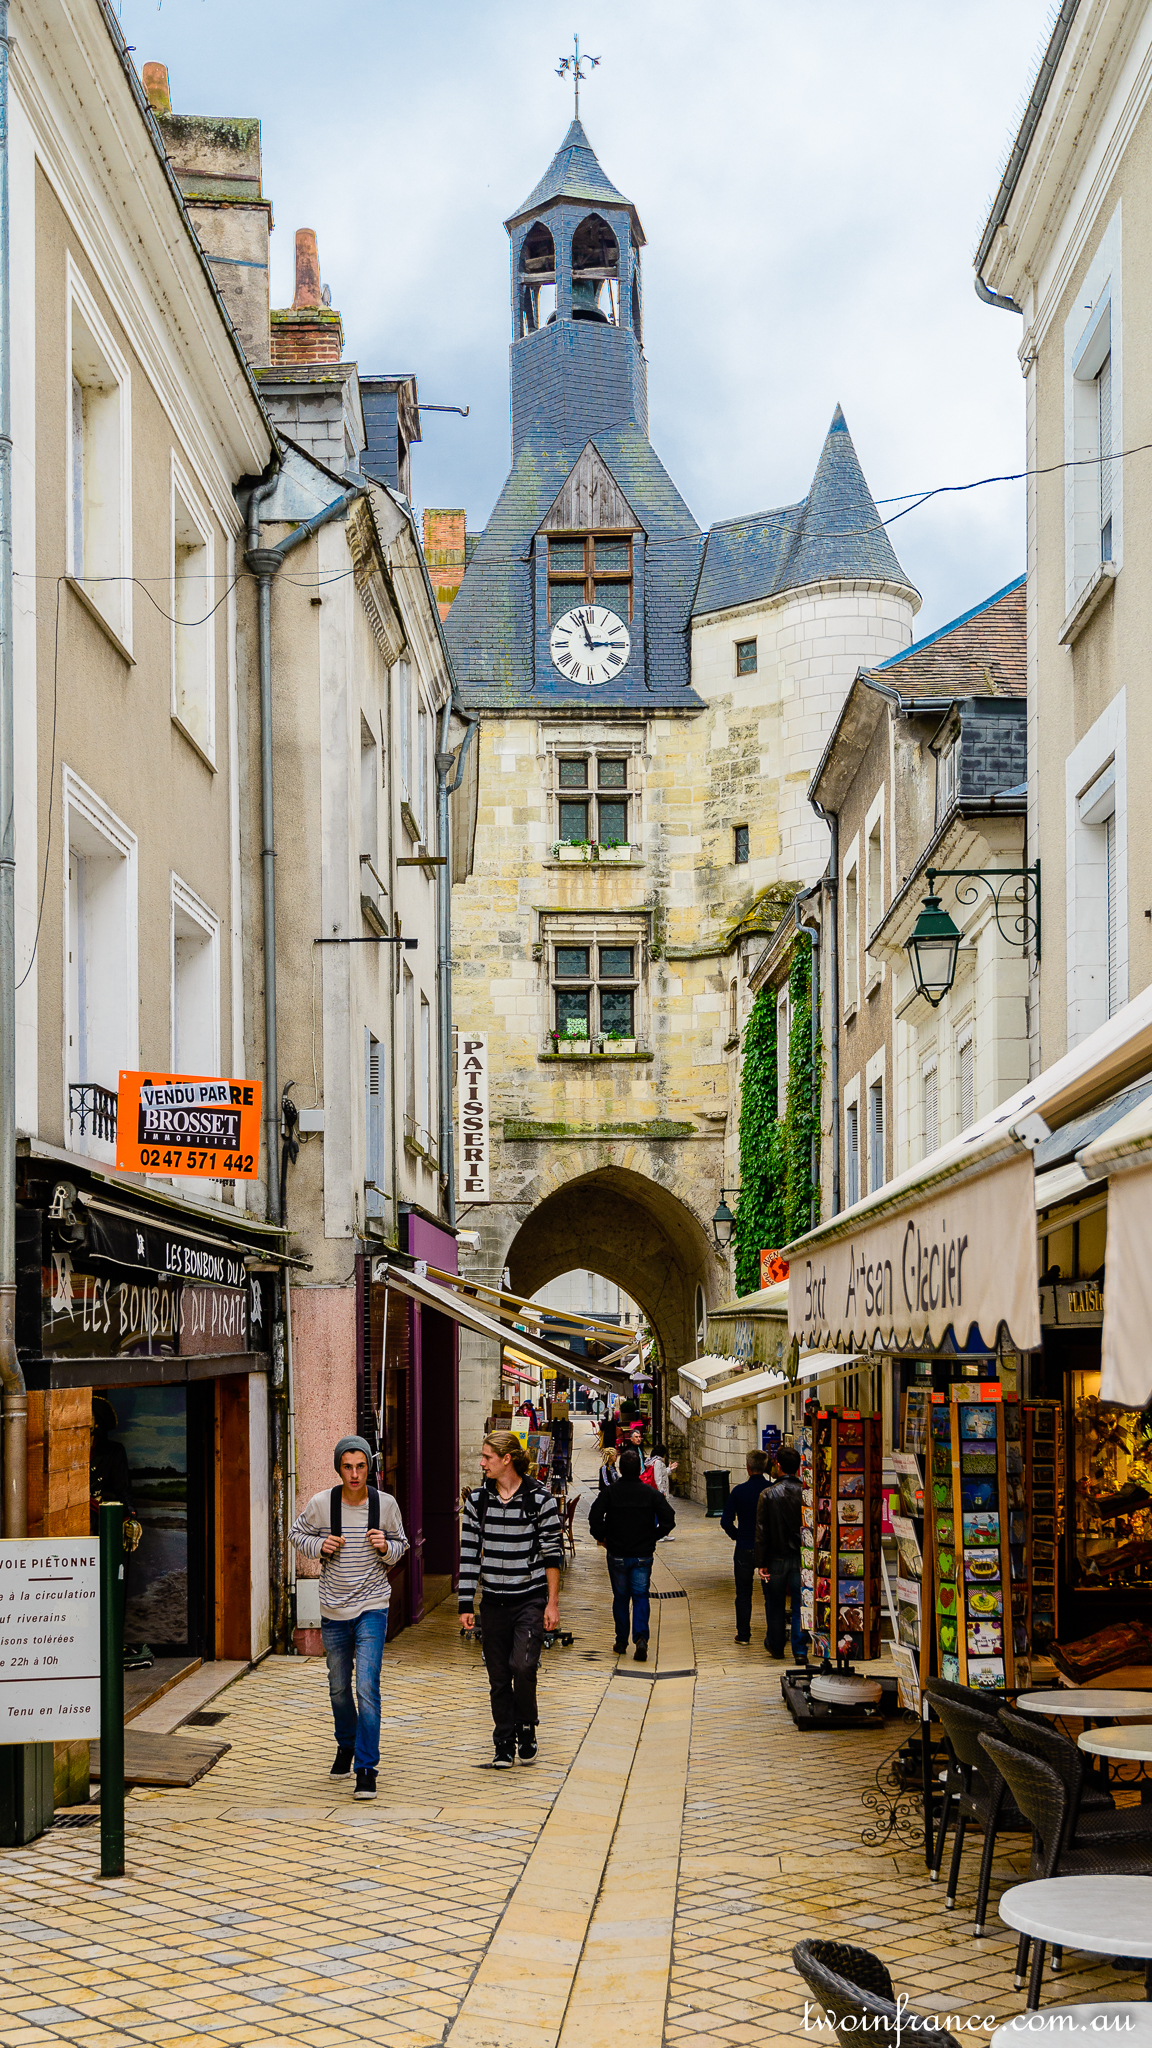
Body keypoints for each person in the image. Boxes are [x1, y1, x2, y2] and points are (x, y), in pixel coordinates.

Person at [289, 1435, 408, 1799]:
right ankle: (346, 1743)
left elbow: (401, 1545)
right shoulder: (322, 1504)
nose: (355, 1474)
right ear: (338, 1468)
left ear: (368, 1468)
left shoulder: (384, 1505)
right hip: (333, 1609)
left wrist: (386, 1547)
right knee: (339, 1686)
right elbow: (297, 1534)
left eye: (360, 1466)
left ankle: (366, 1767)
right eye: (347, 1466)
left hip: (373, 1605)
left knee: (366, 1687)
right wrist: (318, 1545)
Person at [459, 1430, 564, 1768]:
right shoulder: (477, 1501)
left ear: (506, 1459)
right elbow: (469, 1554)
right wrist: (465, 1604)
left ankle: (526, 1727)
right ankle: (504, 1741)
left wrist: (552, 1603)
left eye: (487, 1457)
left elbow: (552, 1554)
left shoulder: (540, 1499)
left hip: (529, 1599)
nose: (481, 1462)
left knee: (524, 1665)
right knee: (499, 1675)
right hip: (492, 1603)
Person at [587, 1447, 674, 1661]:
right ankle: (641, 1638)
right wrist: (654, 1536)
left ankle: (621, 1639)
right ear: (639, 1469)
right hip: (642, 1552)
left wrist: (603, 1537)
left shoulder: (610, 1493)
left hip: (617, 1552)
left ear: (621, 1469)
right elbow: (668, 1518)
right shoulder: (650, 1493)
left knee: (621, 1597)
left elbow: (594, 1516)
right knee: (641, 1595)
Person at [755, 1445, 806, 1662]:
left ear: (778, 1465)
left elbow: (761, 1531)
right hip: (801, 1557)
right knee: (799, 1604)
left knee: (774, 1603)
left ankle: (776, 1645)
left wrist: (761, 1562)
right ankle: (800, 1651)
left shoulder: (767, 1494)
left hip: (776, 1557)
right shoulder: (807, 1493)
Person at [719, 1451, 770, 1643]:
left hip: (744, 1545)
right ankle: (772, 1634)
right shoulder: (771, 1489)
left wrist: (737, 1535)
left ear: (747, 1467)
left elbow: (725, 1521)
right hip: (766, 1547)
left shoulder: (739, 1491)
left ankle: (743, 1634)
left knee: (743, 1593)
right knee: (769, 1594)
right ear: (765, 1467)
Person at [646, 1442, 679, 1540]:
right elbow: (658, 1478)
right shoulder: (658, 1463)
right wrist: (661, 1491)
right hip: (659, 1492)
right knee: (659, 1512)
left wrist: (669, 1469)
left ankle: (664, 1534)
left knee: (660, 1512)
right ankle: (658, 1532)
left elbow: (662, 1473)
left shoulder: (657, 1462)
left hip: (660, 1491)